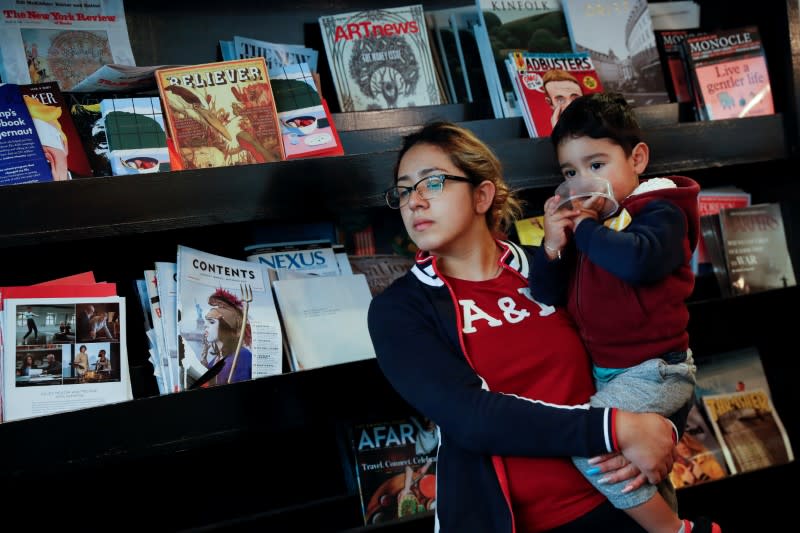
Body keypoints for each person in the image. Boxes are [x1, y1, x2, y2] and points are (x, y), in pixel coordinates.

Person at [367, 121, 685, 533]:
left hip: (626, 506)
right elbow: (472, 418)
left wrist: (662, 430)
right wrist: (615, 428)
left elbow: (649, 346)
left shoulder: (554, 263)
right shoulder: (400, 309)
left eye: (433, 183)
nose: (415, 202)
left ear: (482, 195)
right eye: (405, 190)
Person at [532, 92, 717, 533]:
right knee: (635, 466)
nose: (582, 182)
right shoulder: (582, 226)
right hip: (607, 371)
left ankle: (673, 531)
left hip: (655, 370)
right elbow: (545, 293)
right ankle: (667, 520)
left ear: (637, 158)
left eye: (597, 166)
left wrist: (589, 227)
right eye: (570, 172)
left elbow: (638, 261)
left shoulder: (662, 210)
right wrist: (553, 245)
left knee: (588, 443)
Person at [199, 288, 252, 386]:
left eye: (211, 322)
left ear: (228, 328)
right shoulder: (214, 361)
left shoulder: (243, 356)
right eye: (206, 321)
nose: (205, 325)